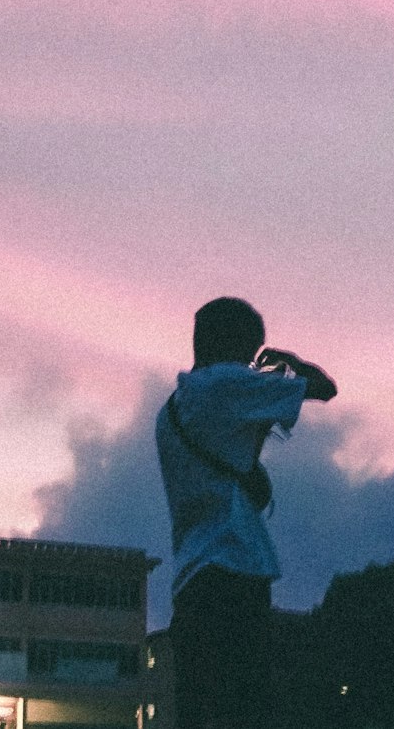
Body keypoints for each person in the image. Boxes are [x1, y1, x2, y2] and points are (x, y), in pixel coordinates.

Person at [156, 296, 337, 729]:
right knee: (247, 706)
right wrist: (290, 362)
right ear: (237, 343)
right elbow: (325, 388)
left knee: (199, 711)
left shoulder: (171, 411)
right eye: (254, 350)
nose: (252, 363)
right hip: (235, 568)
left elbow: (226, 462)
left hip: (190, 578)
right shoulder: (229, 385)